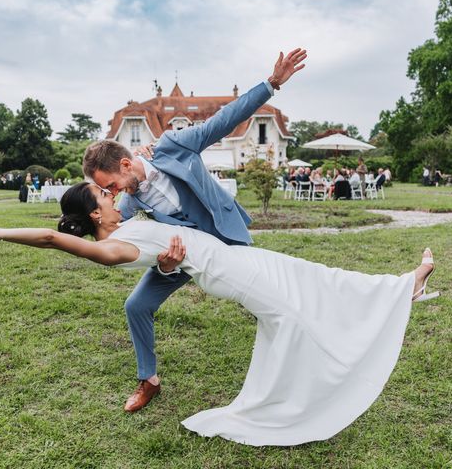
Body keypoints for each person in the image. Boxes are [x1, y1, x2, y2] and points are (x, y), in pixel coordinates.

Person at [0, 182, 438, 447]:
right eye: (105, 196)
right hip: (233, 274)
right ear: (95, 215)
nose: (113, 196)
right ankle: (294, 400)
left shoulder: (130, 216)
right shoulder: (114, 247)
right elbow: (49, 237)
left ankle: (399, 290)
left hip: (238, 258)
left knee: (313, 277)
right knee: (296, 317)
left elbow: (158, 202)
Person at [82, 48, 308, 412]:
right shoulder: (129, 204)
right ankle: (148, 380)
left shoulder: (172, 146)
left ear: (126, 163)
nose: (113, 194)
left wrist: (272, 84)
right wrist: (166, 266)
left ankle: (294, 353)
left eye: (112, 184)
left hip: (223, 238)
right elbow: (120, 243)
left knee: (265, 300)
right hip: (182, 256)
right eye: (107, 191)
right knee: (136, 305)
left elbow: (222, 120)